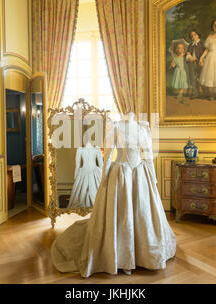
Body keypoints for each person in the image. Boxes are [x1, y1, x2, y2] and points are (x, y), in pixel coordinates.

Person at [51, 113, 176, 277]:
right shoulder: (115, 127)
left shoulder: (143, 128)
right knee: (122, 214)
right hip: (122, 174)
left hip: (137, 174)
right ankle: (123, 256)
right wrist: (104, 179)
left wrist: (153, 179)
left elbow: (148, 155)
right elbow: (109, 155)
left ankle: (140, 254)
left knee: (141, 213)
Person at [67, 141, 103, 209]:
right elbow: (101, 165)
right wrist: (102, 176)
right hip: (93, 171)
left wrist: (76, 177)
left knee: (81, 192)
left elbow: (77, 165)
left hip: (85, 171)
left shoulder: (81, 150)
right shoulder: (96, 150)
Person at [185, 30, 205, 99]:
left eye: (195, 35)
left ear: (198, 35)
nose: (193, 37)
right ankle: (195, 93)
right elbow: (187, 53)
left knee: (202, 77)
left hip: (200, 62)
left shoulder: (202, 44)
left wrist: (202, 60)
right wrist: (189, 57)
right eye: (192, 36)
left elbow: (206, 53)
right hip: (192, 63)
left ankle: (205, 92)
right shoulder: (190, 45)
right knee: (193, 78)